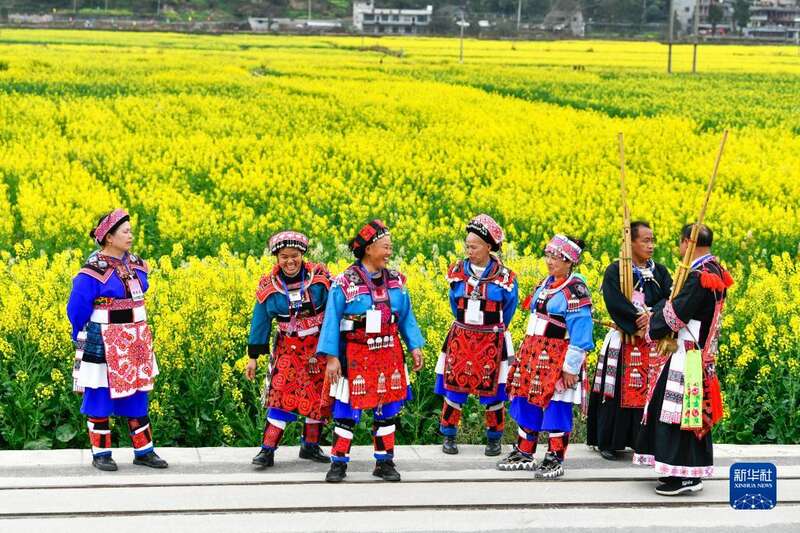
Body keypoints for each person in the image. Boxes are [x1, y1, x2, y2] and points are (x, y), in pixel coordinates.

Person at [317, 220, 425, 483]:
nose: (389, 252)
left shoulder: (397, 281)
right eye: (385, 247)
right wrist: (332, 357)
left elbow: (406, 316)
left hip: (388, 353)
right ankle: (338, 463)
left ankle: (384, 462)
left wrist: (414, 345)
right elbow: (331, 320)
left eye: (390, 247)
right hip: (354, 353)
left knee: (387, 410)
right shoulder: (344, 282)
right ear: (368, 248)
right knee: (346, 410)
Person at [634, 224, 732, 496]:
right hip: (697, 351)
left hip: (688, 352)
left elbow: (677, 315)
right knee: (684, 411)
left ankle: (686, 474)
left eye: (680, 242)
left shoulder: (700, 275)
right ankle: (678, 469)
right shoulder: (715, 270)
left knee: (680, 412)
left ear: (688, 242)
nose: (679, 248)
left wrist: (652, 324)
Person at [67, 209, 167, 471]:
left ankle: (144, 451)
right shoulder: (91, 271)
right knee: (100, 391)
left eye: (131, 231)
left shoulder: (136, 264)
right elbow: (77, 307)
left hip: (135, 338)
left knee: (137, 393)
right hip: (104, 336)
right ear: (109, 237)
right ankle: (101, 454)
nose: (131, 235)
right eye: (125, 232)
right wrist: (80, 334)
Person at [498, 234, 594, 479]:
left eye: (556, 258)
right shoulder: (546, 283)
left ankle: (555, 456)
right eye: (548, 255)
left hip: (557, 357)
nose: (550, 261)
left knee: (556, 404)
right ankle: (524, 450)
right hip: (533, 354)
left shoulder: (575, 290)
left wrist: (571, 367)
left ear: (570, 261)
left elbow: (581, 332)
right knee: (526, 398)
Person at [245, 231, 332, 468]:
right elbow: (260, 322)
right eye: (284, 256)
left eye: (295, 255)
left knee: (318, 396)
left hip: (317, 348)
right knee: (280, 395)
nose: (290, 261)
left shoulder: (320, 280)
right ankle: (267, 449)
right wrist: (253, 357)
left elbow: (334, 310)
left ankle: (310, 446)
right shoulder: (269, 287)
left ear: (302, 255)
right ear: (277, 257)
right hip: (288, 348)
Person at [587, 221, 672, 460]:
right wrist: (637, 320)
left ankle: (642, 442)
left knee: (648, 391)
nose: (651, 245)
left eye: (652, 240)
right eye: (645, 240)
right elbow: (614, 301)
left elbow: (670, 297)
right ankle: (609, 442)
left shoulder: (660, 271)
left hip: (652, 341)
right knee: (615, 391)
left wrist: (653, 316)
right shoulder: (616, 270)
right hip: (624, 338)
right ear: (630, 243)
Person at [435, 214, 518, 456]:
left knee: (494, 392)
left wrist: (490, 327)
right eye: (467, 246)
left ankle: (494, 438)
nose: (469, 251)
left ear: (489, 246)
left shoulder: (505, 278)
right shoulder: (457, 272)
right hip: (462, 337)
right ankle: (449, 435)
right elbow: (454, 303)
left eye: (474, 246)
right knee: (454, 389)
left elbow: (509, 309)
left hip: (492, 338)